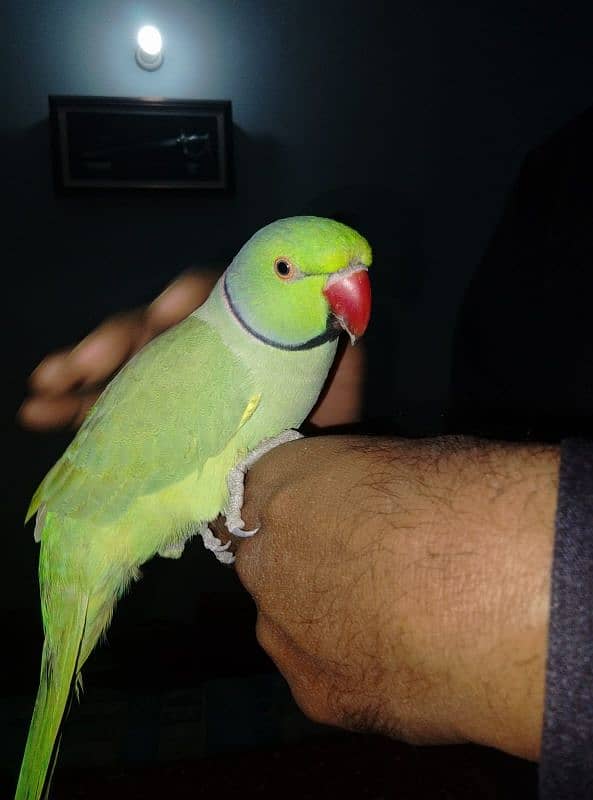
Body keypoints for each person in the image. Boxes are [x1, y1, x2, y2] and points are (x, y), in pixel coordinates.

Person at [19, 108, 593, 796]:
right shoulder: (209, 362)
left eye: (350, 272)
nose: (337, 287)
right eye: (290, 269)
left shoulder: (318, 353)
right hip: (91, 536)